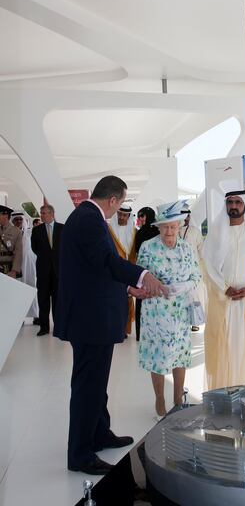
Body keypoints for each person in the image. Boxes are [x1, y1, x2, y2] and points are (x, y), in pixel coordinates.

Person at [54, 175, 167, 475]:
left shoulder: (85, 217)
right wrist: (142, 277)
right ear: (114, 200)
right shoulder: (90, 219)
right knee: (88, 386)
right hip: (90, 320)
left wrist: (128, 289)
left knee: (96, 384)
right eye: (120, 203)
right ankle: (80, 453)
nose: (119, 210)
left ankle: (99, 433)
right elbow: (106, 261)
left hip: (92, 316)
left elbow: (95, 270)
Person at [137, 200, 201, 417]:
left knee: (180, 356)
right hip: (156, 313)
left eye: (173, 226)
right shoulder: (148, 247)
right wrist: (152, 285)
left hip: (180, 314)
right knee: (159, 357)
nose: (169, 231)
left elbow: (196, 276)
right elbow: (138, 277)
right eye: (165, 226)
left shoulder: (186, 248)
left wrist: (184, 285)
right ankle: (159, 400)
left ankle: (177, 399)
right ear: (158, 227)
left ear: (180, 226)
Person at [203, 190, 245, 390]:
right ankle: (223, 391)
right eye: (230, 202)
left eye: (238, 202)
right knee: (223, 347)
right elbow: (207, 265)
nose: (233, 206)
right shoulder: (216, 232)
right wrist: (225, 288)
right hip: (223, 300)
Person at [31, 205, 64, 336]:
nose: (42, 215)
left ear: (52, 213)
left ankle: (58, 327)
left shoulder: (62, 228)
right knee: (43, 299)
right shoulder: (37, 230)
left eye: (44, 213)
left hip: (58, 271)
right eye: (41, 213)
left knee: (58, 300)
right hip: (43, 270)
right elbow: (34, 248)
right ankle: (44, 327)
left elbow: (66, 248)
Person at [108, 202, 137, 336]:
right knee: (115, 298)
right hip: (113, 269)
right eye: (119, 214)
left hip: (128, 269)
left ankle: (125, 329)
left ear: (129, 216)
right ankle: (115, 327)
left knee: (128, 299)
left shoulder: (134, 232)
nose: (122, 217)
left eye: (125, 215)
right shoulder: (109, 230)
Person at [134, 206, 159, 341]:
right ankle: (142, 333)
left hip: (151, 271)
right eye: (139, 216)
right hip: (144, 271)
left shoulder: (156, 231)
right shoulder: (140, 232)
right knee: (142, 299)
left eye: (142, 216)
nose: (140, 219)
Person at [179, 209, 206, 331]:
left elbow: (202, 251)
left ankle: (195, 322)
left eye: (187, 216)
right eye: (183, 216)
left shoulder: (195, 232)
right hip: (178, 270)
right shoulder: (175, 230)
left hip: (194, 270)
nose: (185, 219)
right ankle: (181, 321)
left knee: (195, 296)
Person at [12, 210, 39, 321]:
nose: (18, 221)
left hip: (30, 265)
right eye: (16, 219)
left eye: (20, 219)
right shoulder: (9, 233)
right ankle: (19, 318)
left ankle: (36, 316)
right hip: (15, 266)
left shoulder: (30, 233)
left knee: (32, 288)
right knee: (17, 292)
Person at [0, 205, 23, 278]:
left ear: (5, 216)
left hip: (9, 268)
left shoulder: (16, 231)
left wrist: (14, 270)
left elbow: (18, 252)